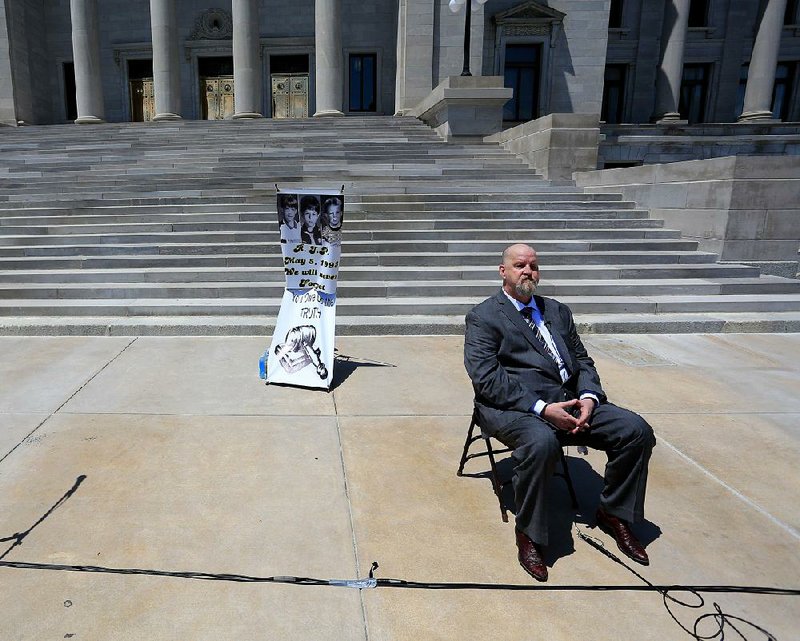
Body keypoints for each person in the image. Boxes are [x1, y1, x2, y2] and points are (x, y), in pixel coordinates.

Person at [463, 243, 656, 582]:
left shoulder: (557, 311)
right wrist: (543, 408)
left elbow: (582, 360)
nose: (528, 271)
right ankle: (531, 535)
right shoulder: (484, 316)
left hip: (570, 401)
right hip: (515, 407)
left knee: (636, 431)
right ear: (503, 271)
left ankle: (614, 513)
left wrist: (589, 397)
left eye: (533, 265)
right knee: (541, 443)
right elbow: (486, 378)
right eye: (520, 265)